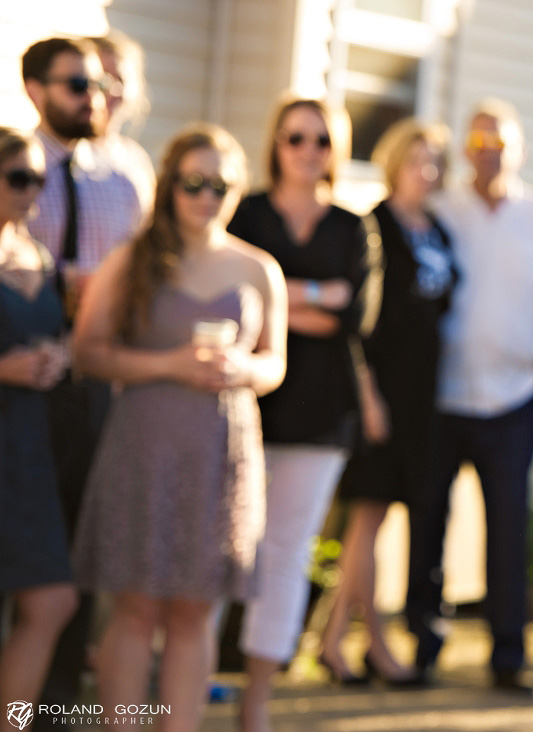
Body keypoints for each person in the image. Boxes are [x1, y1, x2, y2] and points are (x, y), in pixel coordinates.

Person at [70, 124, 287, 732]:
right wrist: (166, 365)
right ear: (169, 186)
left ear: (237, 190)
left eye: (220, 184)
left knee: (195, 613)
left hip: (220, 449)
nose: (205, 195)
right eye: (193, 182)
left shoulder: (258, 268)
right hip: (145, 444)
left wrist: (245, 368)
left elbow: (276, 365)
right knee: (136, 607)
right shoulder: (132, 258)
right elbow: (89, 351)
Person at [407, 98, 533, 690]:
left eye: (501, 144)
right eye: (480, 145)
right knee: (427, 523)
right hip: (441, 396)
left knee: (508, 529)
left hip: (514, 399)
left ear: (519, 149)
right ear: (466, 152)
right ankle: (422, 650)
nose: (490, 155)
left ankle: (508, 659)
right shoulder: (440, 211)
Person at [224, 95, 367, 730]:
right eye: (294, 138)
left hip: (319, 416)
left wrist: (274, 295)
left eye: (321, 140)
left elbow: (355, 316)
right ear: (275, 144)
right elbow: (229, 298)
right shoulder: (246, 211)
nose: (307, 151)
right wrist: (312, 297)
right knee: (224, 549)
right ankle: (196, 677)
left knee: (285, 553)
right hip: (239, 406)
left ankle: (257, 700)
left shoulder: (350, 226)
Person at [21, 37, 152, 720]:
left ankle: (55, 704)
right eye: (76, 84)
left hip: (95, 385)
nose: (92, 98)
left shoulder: (126, 177)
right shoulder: (16, 168)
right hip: (20, 382)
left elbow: (148, 278)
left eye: (99, 85)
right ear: (36, 88)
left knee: (77, 548)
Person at [321, 117, 455, 686]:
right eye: (417, 160)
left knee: (374, 522)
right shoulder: (372, 225)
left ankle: (330, 642)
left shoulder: (439, 230)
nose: (427, 171)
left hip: (424, 398)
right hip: (378, 394)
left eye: (435, 162)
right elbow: (358, 328)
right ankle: (374, 643)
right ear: (395, 162)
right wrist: (369, 399)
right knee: (368, 518)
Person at [0, 128, 75, 711]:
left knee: (52, 600)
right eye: (18, 178)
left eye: (39, 180)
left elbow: (58, 334)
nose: (32, 192)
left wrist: (59, 356)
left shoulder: (36, 251)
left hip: (28, 443)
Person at [89, 30, 157, 218]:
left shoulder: (136, 158)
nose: (113, 91)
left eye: (121, 80)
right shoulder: (61, 155)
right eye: (103, 80)